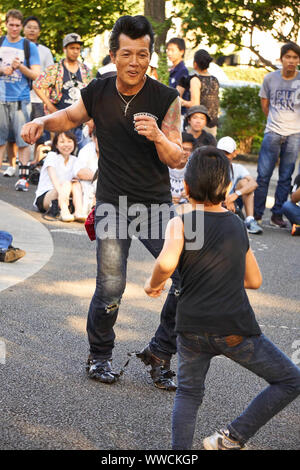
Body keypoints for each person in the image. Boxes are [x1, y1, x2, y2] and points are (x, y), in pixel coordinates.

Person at [21, 15, 183, 390]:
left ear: (150, 56)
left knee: (187, 279)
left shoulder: (165, 98)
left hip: (156, 207)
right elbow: (70, 116)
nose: (134, 62)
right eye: (127, 53)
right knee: (111, 285)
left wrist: (158, 136)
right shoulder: (99, 90)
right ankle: (100, 355)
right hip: (112, 203)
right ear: (114, 54)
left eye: (142, 55)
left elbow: (177, 158)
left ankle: (160, 351)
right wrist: (43, 121)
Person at [144, 145, 300, 450]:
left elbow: (164, 263)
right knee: (289, 380)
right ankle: (232, 437)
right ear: (228, 188)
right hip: (234, 329)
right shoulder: (236, 224)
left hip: (190, 328)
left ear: (186, 187)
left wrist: (154, 285)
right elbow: (254, 281)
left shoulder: (180, 223)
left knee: (188, 394)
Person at [254, 42, 300, 228]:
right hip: (272, 132)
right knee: (263, 175)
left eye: (295, 57)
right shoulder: (270, 79)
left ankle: (277, 215)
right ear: (281, 59)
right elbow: (265, 104)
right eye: (287, 57)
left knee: (285, 177)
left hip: (294, 134)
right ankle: (256, 214)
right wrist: (274, 121)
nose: (291, 61)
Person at [0, 9, 40, 190]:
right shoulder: (1, 42)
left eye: (17, 25)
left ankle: (22, 178)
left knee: (23, 139)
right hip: (1, 97)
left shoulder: (28, 46)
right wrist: (3, 70)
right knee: (0, 140)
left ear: (21, 26)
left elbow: (36, 74)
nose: (14, 28)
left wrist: (20, 67)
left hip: (21, 99)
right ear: (6, 24)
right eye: (11, 25)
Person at [33, 32, 92, 152]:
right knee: (59, 153)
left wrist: (91, 118)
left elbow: (92, 93)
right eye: (72, 48)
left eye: (77, 48)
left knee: (83, 152)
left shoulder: (85, 70)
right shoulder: (55, 69)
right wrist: (50, 106)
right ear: (65, 49)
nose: (75, 51)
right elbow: (37, 85)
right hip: (61, 119)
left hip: (81, 120)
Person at [34, 131, 85, 222]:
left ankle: (79, 211)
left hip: (65, 195)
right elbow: (54, 178)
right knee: (66, 183)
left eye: (69, 141)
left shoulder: (75, 160)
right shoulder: (52, 156)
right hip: (47, 196)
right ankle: (64, 211)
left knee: (76, 184)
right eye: (62, 142)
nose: (66, 145)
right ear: (56, 145)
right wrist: (62, 195)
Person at [217, 136, 263, 234]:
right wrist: (225, 200)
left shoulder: (238, 168)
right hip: (216, 201)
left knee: (245, 183)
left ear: (235, 153)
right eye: (221, 152)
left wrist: (235, 195)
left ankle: (250, 220)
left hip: (234, 201)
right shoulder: (211, 166)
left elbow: (254, 183)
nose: (224, 156)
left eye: (227, 153)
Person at [23, 16, 54, 159]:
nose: (31, 30)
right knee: (15, 132)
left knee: (39, 133)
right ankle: (14, 164)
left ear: (39, 31)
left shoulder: (45, 51)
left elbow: (50, 74)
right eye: (29, 27)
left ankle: (36, 163)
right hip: (19, 97)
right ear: (24, 29)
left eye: (35, 28)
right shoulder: (16, 47)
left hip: (38, 98)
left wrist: (47, 100)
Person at [178, 49, 219, 137]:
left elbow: (195, 104)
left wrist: (181, 101)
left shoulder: (195, 80)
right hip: (213, 123)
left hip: (199, 124)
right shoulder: (215, 80)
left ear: (195, 64)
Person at [72, 129, 99, 217]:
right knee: (75, 184)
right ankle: (79, 212)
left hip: (104, 189)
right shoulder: (87, 149)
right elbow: (79, 172)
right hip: (85, 187)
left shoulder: (113, 151)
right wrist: (98, 175)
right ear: (94, 139)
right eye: (98, 139)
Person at [169, 132, 196, 205]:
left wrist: (191, 197)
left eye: (188, 150)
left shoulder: (195, 170)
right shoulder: (163, 167)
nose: (184, 152)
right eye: (182, 148)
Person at [166, 38, 189, 115]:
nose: (169, 53)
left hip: (178, 114)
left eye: (172, 50)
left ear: (181, 52)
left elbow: (176, 96)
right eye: (168, 50)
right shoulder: (172, 69)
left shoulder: (183, 71)